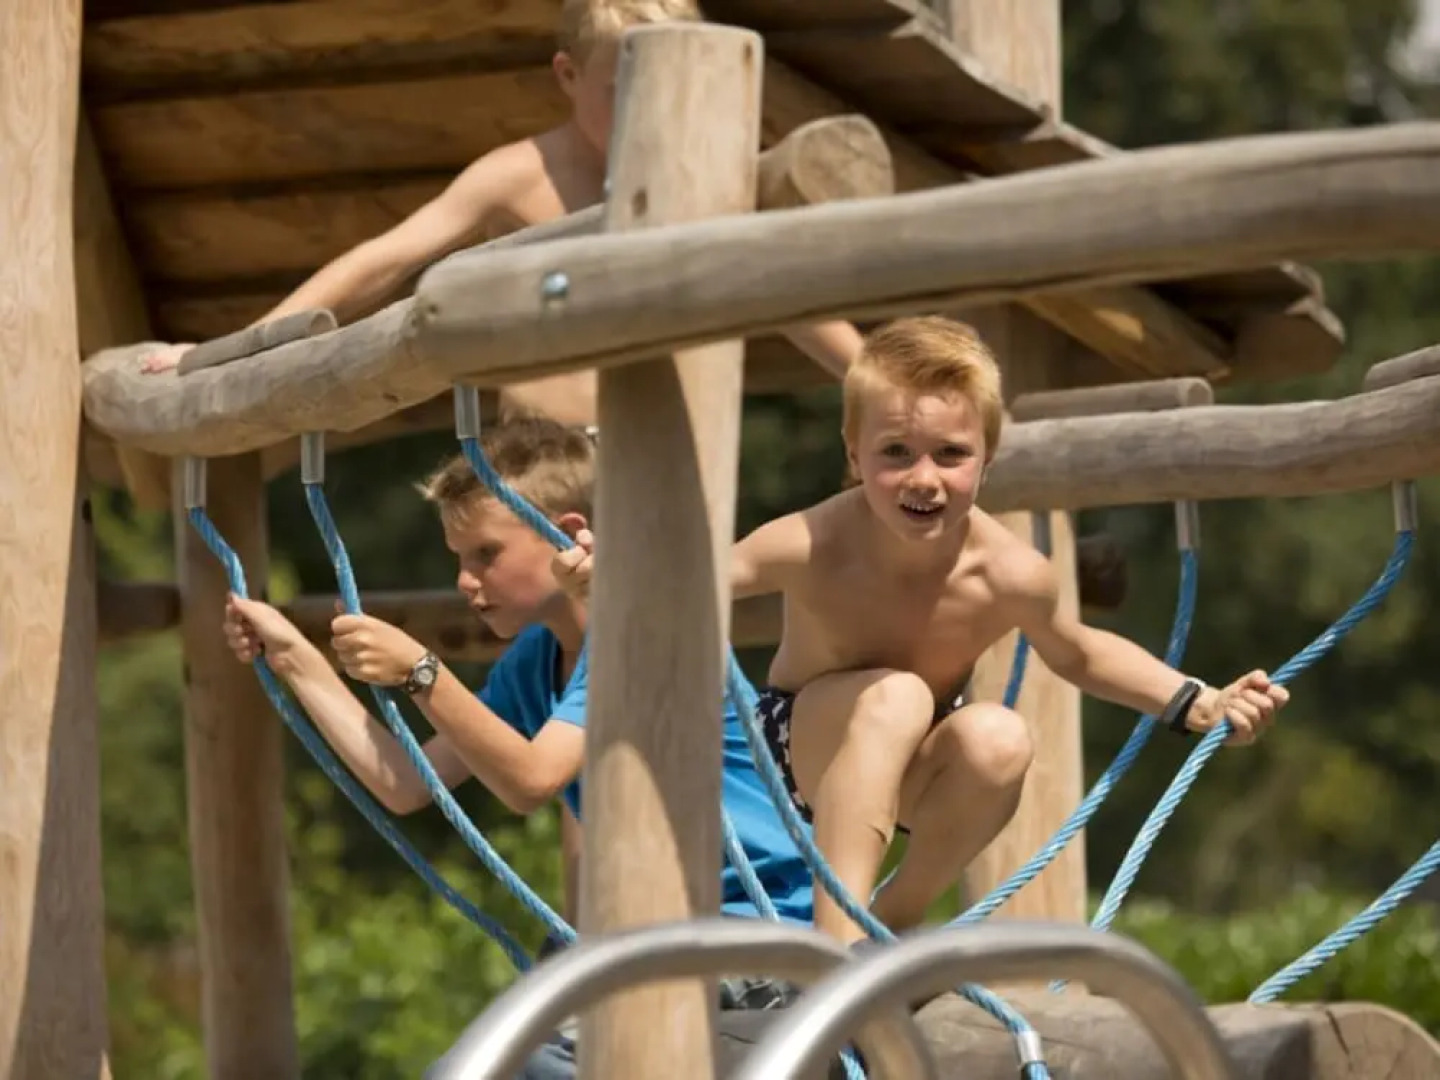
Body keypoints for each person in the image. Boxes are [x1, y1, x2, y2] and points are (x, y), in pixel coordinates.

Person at [553, 314, 1292, 945]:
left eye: (951, 454)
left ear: (988, 459)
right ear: (854, 457)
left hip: (915, 766)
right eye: (895, 454)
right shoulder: (810, 541)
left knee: (1000, 737)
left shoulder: (1009, 572)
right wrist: (609, 569)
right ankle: (834, 946)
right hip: (796, 750)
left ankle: (897, 918)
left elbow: (1079, 651)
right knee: (898, 696)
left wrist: (1196, 700)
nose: (924, 478)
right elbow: (691, 577)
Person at [219, 418, 815, 1076]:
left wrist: (422, 672)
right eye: (457, 559)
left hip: (751, 934)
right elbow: (407, 782)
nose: (465, 582)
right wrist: (296, 659)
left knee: (529, 1066)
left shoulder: (642, 630)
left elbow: (532, 781)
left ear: (565, 531)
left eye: (485, 554)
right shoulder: (538, 659)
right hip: (653, 939)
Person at [139, 0, 864, 425]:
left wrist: (889, 396)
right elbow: (383, 261)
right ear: (568, 76)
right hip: (545, 464)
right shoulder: (521, 177)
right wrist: (230, 353)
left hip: (674, 457)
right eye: (625, 89)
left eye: (676, 91)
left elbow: (797, 305)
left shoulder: (712, 183)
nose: (651, 116)